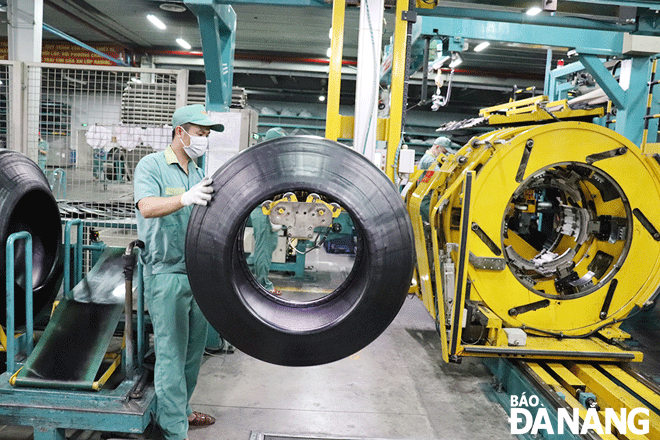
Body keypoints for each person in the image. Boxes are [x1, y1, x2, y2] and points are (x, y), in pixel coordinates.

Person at [133, 104, 223, 440]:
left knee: (192, 353)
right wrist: (184, 198)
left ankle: (181, 410)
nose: (203, 140)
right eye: (200, 133)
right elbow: (147, 206)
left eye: (207, 135)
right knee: (170, 355)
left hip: (197, 275)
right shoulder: (152, 166)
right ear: (180, 132)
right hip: (165, 273)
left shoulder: (200, 174)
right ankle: (174, 431)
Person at [247, 126, 287, 295]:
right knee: (264, 248)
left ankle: (254, 277)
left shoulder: (273, 160)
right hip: (263, 209)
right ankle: (263, 285)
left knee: (269, 246)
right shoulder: (265, 161)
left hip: (271, 209)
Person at [418, 136, 460, 222]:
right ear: (437, 147)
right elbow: (439, 178)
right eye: (444, 151)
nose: (444, 154)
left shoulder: (426, 158)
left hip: (423, 197)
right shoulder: (429, 161)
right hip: (426, 200)